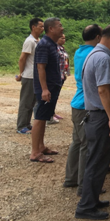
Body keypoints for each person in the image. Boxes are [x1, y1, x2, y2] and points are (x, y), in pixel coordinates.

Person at [64, 24, 110, 196]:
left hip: (78, 103)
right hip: (89, 105)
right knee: (89, 148)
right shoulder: (100, 56)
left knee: (78, 143)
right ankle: (84, 187)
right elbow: (105, 86)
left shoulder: (81, 52)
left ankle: (72, 179)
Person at [29, 17, 64, 163]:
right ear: (52, 29)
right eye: (60, 26)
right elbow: (40, 67)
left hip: (52, 86)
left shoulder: (51, 44)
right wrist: (44, 89)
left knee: (44, 118)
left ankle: (41, 146)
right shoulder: (44, 45)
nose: (62, 28)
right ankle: (35, 152)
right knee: (39, 117)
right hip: (46, 88)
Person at [16, 17, 44, 134]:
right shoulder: (30, 41)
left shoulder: (37, 41)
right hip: (29, 76)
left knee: (32, 103)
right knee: (26, 102)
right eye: (40, 26)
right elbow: (22, 59)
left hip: (35, 76)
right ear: (33, 27)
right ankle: (21, 126)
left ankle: (27, 124)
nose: (43, 28)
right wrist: (21, 73)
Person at [49, 33, 70, 124]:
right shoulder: (55, 49)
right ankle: (48, 116)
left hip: (61, 75)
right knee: (52, 97)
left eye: (64, 38)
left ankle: (52, 113)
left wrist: (66, 73)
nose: (63, 40)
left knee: (56, 96)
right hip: (55, 77)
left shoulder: (62, 48)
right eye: (61, 38)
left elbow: (65, 62)